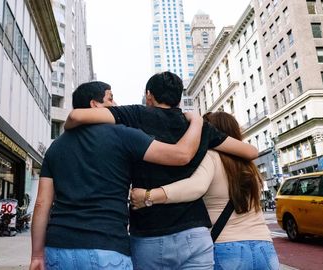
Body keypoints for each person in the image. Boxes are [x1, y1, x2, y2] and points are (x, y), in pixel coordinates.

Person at [64, 72, 258, 269]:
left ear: (149, 95)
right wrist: (199, 125)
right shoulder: (201, 128)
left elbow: (76, 115)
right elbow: (251, 151)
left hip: (149, 232)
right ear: (179, 98)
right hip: (195, 232)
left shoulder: (135, 114)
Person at [29, 81, 204, 270]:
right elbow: (181, 154)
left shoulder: (56, 147)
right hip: (107, 247)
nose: (115, 104)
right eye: (110, 98)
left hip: (58, 248)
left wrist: (37, 255)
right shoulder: (124, 135)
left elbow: (41, 203)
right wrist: (197, 121)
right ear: (94, 105)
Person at [131, 111, 280, 270]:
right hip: (264, 247)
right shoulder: (250, 166)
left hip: (226, 247)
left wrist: (149, 195)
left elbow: (195, 186)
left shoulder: (211, 156)